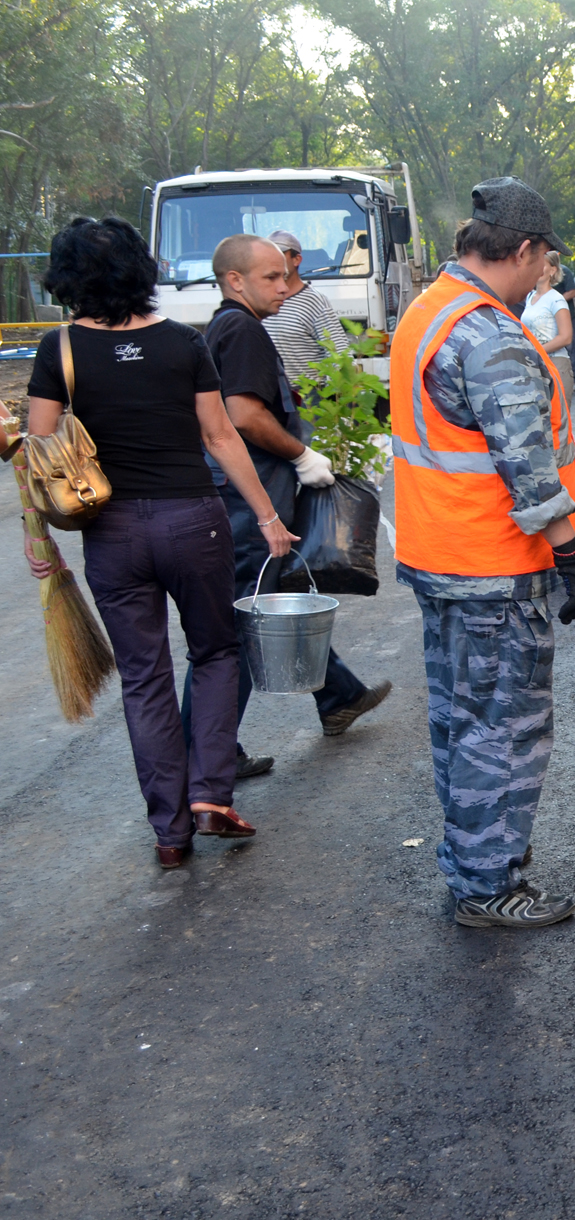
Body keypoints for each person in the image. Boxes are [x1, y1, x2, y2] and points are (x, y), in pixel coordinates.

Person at [21, 216, 296, 869]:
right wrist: (265, 516)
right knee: (216, 653)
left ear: (67, 279)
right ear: (142, 271)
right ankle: (210, 794)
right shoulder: (182, 342)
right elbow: (222, 437)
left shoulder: (57, 350)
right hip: (193, 522)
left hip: (111, 533)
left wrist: (40, 540)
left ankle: (170, 833)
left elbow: (39, 449)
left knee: (144, 679)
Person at [389, 176, 575, 929]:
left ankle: (472, 859)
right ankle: (487, 884)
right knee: (504, 727)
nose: (545, 276)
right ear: (529, 249)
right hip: (492, 568)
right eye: (545, 263)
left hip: (439, 556)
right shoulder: (490, 333)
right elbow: (529, 468)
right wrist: (571, 552)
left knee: (461, 718)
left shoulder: (428, 311)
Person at [188, 233, 392, 778]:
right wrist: (302, 455)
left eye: (285, 276)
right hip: (251, 501)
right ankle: (205, 756)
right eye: (272, 278)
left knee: (267, 605)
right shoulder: (244, 329)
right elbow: (246, 415)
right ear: (236, 280)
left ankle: (337, 695)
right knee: (241, 622)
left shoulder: (225, 327)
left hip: (240, 499)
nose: (286, 287)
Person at [261, 229, 353, 378]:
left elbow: (340, 355)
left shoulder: (314, 302)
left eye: (280, 255)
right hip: (272, 397)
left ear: (297, 260)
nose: (272, 261)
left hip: (307, 396)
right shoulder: (260, 300)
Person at [522, 251, 575, 405]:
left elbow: (566, 337)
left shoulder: (556, 299)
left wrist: (536, 350)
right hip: (534, 365)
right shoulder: (530, 297)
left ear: (553, 270)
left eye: (542, 264)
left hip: (555, 365)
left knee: (558, 420)